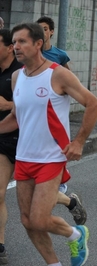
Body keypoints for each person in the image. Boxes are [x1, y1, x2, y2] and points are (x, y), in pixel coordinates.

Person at [4, 22, 97, 265]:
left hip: (51, 158)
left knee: (38, 219)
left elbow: (94, 104)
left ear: (38, 44)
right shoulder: (17, 77)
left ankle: (76, 234)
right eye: (14, 42)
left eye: (22, 41)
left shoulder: (58, 74)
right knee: (27, 220)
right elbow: (15, 118)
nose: (16, 46)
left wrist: (79, 141)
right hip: (24, 157)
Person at [37, 16, 71, 194]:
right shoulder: (31, 55)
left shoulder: (59, 55)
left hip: (55, 105)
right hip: (36, 104)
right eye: (38, 28)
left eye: (44, 28)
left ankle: (61, 179)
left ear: (51, 31)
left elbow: (71, 79)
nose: (41, 32)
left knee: (56, 144)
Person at [0, 28, 23, 265]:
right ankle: (0, 245)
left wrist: (6, 105)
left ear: (9, 48)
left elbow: (27, 106)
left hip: (27, 140)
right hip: (3, 139)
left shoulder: (21, 73)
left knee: (38, 199)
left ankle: (70, 201)